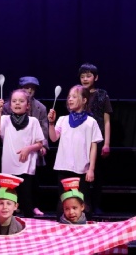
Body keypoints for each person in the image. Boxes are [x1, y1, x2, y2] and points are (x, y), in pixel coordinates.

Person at [48, 85, 103, 220]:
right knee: (63, 200)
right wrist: (51, 123)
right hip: (63, 167)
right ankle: (61, 227)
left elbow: (93, 147)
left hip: (82, 169)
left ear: (84, 100)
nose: (70, 100)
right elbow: (53, 138)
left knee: (83, 201)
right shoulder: (63, 119)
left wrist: (91, 169)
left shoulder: (91, 122)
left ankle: (84, 230)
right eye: (69, 97)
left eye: (74, 97)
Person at [0, 89, 44, 218]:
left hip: (25, 167)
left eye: (21, 101)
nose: (17, 103)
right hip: (8, 168)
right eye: (14, 101)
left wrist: (28, 148)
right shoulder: (4, 119)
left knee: (26, 201)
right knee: (9, 202)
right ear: (9, 105)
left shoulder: (33, 121)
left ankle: (28, 231)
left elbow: (40, 143)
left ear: (28, 105)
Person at [1, 76, 49, 216]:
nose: (29, 90)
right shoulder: (6, 110)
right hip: (11, 156)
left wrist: (42, 146)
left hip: (30, 155)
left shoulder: (39, 108)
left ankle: (32, 209)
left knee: (29, 189)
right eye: (26, 87)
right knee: (10, 194)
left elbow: (43, 131)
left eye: (31, 88)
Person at [79, 63, 112, 214]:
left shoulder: (102, 94)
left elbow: (106, 120)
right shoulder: (77, 93)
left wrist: (106, 143)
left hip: (97, 140)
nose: (85, 79)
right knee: (81, 173)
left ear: (96, 77)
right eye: (82, 76)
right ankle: (83, 204)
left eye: (88, 76)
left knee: (96, 173)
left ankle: (96, 204)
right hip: (80, 139)